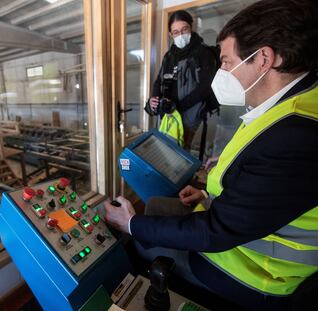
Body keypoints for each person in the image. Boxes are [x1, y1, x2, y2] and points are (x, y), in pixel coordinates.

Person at [105, 0, 318, 309]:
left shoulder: (296, 136)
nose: (222, 72)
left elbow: (216, 232)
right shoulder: (290, 104)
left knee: (138, 245)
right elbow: (263, 190)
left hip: (255, 272)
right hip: (238, 228)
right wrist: (208, 193)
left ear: (263, 59)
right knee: (154, 205)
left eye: (227, 62)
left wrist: (132, 225)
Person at [145, 10, 217, 150]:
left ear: (191, 28)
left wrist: (177, 106)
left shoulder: (203, 52)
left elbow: (205, 87)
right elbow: (159, 81)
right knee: (165, 152)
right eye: (176, 32)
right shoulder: (169, 55)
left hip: (189, 116)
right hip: (168, 114)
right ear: (171, 34)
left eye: (184, 30)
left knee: (181, 154)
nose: (181, 35)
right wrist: (154, 99)